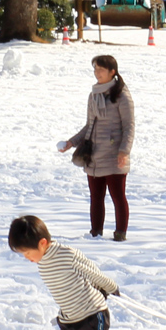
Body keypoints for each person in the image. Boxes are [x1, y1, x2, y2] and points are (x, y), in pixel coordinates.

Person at [56, 54, 135, 240]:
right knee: (96, 197)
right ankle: (95, 232)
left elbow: (129, 125)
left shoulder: (121, 95)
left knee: (118, 196)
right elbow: (89, 125)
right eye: (95, 69)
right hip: (93, 154)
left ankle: (120, 233)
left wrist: (124, 151)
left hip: (115, 154)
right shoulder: (93, 95)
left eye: (101, 69)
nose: (97, 73)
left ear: (112, 72)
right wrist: (71, 142)